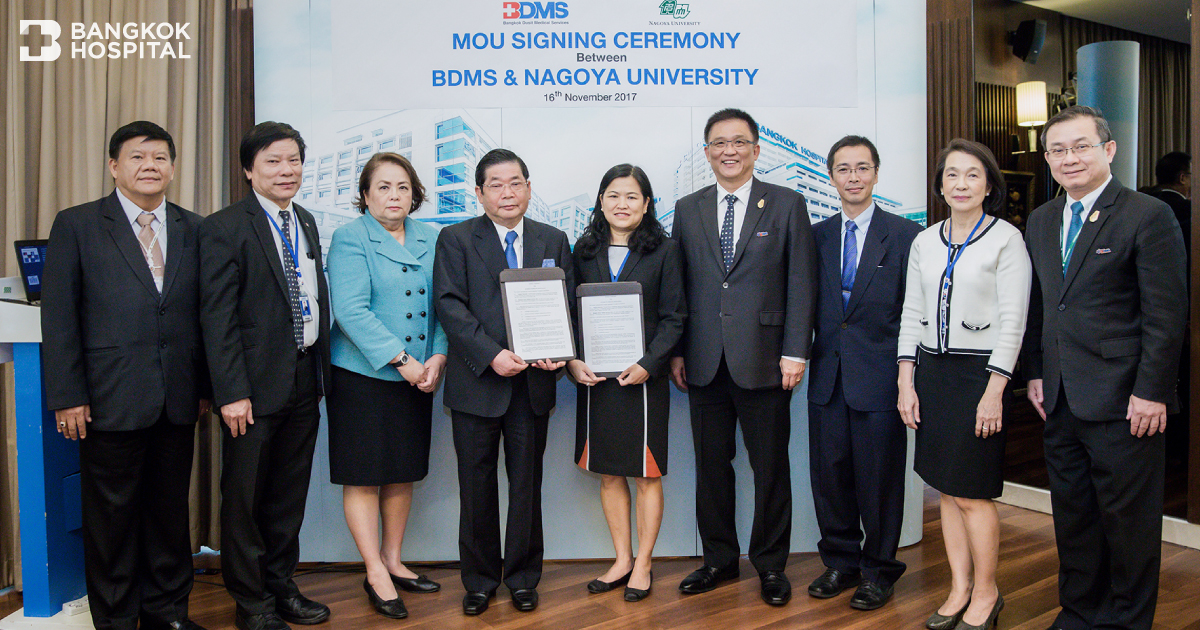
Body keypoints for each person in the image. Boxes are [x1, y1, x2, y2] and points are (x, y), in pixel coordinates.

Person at [1022, 106, 1187, 630]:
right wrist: (1036, 373)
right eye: (1057, 150)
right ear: (1047, 158)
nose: (1069, 159)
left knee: (1128, 524)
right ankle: (1080, 611)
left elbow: (1166, 313)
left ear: (1108, 150)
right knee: (1074, 516)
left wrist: (1153, 391)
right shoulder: (1043, 218)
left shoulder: (1145, 214)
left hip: (1126, 399)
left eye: (1080, 146)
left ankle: (1128, 621)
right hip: (1061, 398)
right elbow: (1042, 307)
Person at [40, 121, 209, 630]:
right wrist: (68, 396)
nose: (150, 166)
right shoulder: (77, 224)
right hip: (109, 397)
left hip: (178, 398)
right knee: (111, 518)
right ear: (114, 166)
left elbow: (205, 316)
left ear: (173, 168)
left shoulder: (194, 228)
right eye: (137, 157)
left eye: (160, 157)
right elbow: (60, 316)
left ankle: (167, 614)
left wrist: (203, 388)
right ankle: (114, 620)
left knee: (168, 514)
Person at [669, 108, 817, 606]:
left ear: (755, 149)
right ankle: (719, 560)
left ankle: (771, 566)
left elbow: (801, 281)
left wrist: (796, 350)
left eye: (738, 142)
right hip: (704, 362)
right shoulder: (687, 209)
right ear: (707, 151)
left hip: (768, 359)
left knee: (771, 468)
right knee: (712, 467)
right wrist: (677, 352)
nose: (728, 151)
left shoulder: (786, 203)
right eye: (718, 143)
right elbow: (681, 287)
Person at [200, 122, 332, 630]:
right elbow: (217, 316)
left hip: (303, 376)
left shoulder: (305, 221)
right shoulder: (224, 227)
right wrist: (230, 392)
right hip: (250, 390)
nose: (286, 170)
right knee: (246, 498)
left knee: (287, 495)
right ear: (249, 169)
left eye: (293, 160)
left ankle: (282, 587)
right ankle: (251, 601)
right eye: (273, 161)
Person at [432, 148, 574, 616]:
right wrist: (491, 355)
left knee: (526, 485)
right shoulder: (455, 239)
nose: (507, 192)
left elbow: (565, 308)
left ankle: (522, 576)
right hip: (477, 386)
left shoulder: (553, 238)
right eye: (496, 184)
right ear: (479, 193)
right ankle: (478, 580)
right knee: (474, 487)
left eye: (516, 182)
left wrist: (557, 350)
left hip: (533, 388)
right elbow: (450, 306)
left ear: (529, 187)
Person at [897, 138, 1030, 630]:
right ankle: (958, 587)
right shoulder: (924, 240)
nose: (960, 183)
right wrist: (905, 382)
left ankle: (987, 592)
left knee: (973, 492)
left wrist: (995, 390)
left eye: (972, 174)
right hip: (931, 375)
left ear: (989, 184)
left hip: (980, 377)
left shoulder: (1006, 239)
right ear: (940, 185)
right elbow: (911, 313)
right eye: (951, 174)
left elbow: (1014, 321)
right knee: (945, 490)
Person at [324, 152, 448, 620]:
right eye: (383, 187)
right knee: (364, 475)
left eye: (402, 187)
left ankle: (395, 559)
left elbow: (443, 304)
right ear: (365, 194)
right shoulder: (350, 237)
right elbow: (351, 311)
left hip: (420, 374)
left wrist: (437, 356)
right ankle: (374, 569)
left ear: (415, 193)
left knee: (402, 470)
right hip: (364, 375)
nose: (394, 196)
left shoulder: (430, 238)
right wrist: (403, 361)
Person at [806, 136, 921, 611]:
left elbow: (915, 314)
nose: (853, 177)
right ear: (830, 176)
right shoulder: (816, 236)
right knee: (829, 477)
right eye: (843, 169)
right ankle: (841, 562)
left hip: (882, 378)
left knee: (880, 481)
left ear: (876, 173)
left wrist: (907, 379)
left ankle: (878, 570)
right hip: (827, 376)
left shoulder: (907, 235)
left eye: (862, 168)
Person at [567, 164, 687, 602]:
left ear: (647, 204)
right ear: (601, 201)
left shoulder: (665, 251)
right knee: (609, 473)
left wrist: (649, 363)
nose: (622, 204)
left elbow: (676, 316)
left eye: (632, 196)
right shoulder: (583, 250)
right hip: (595, 380)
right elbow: (567, 314)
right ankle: (621, 558)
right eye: (614, 195)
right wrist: (572, 362)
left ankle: (644, 563)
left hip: (642, 378)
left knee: (645, 473)